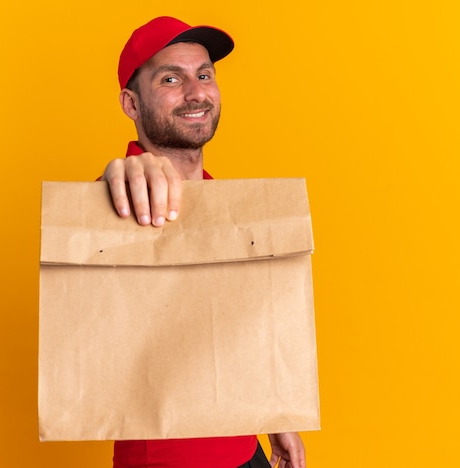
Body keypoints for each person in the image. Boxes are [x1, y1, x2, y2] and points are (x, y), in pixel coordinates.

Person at [101, 16, 306, 468]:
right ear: (131, 104)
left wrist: (276, 414)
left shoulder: (219, 201)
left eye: (204, 75)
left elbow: (232, 327)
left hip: (244, 448)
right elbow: (106, 216)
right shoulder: (125, 195)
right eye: (171, 78)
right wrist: (123, 171)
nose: (196, 93)